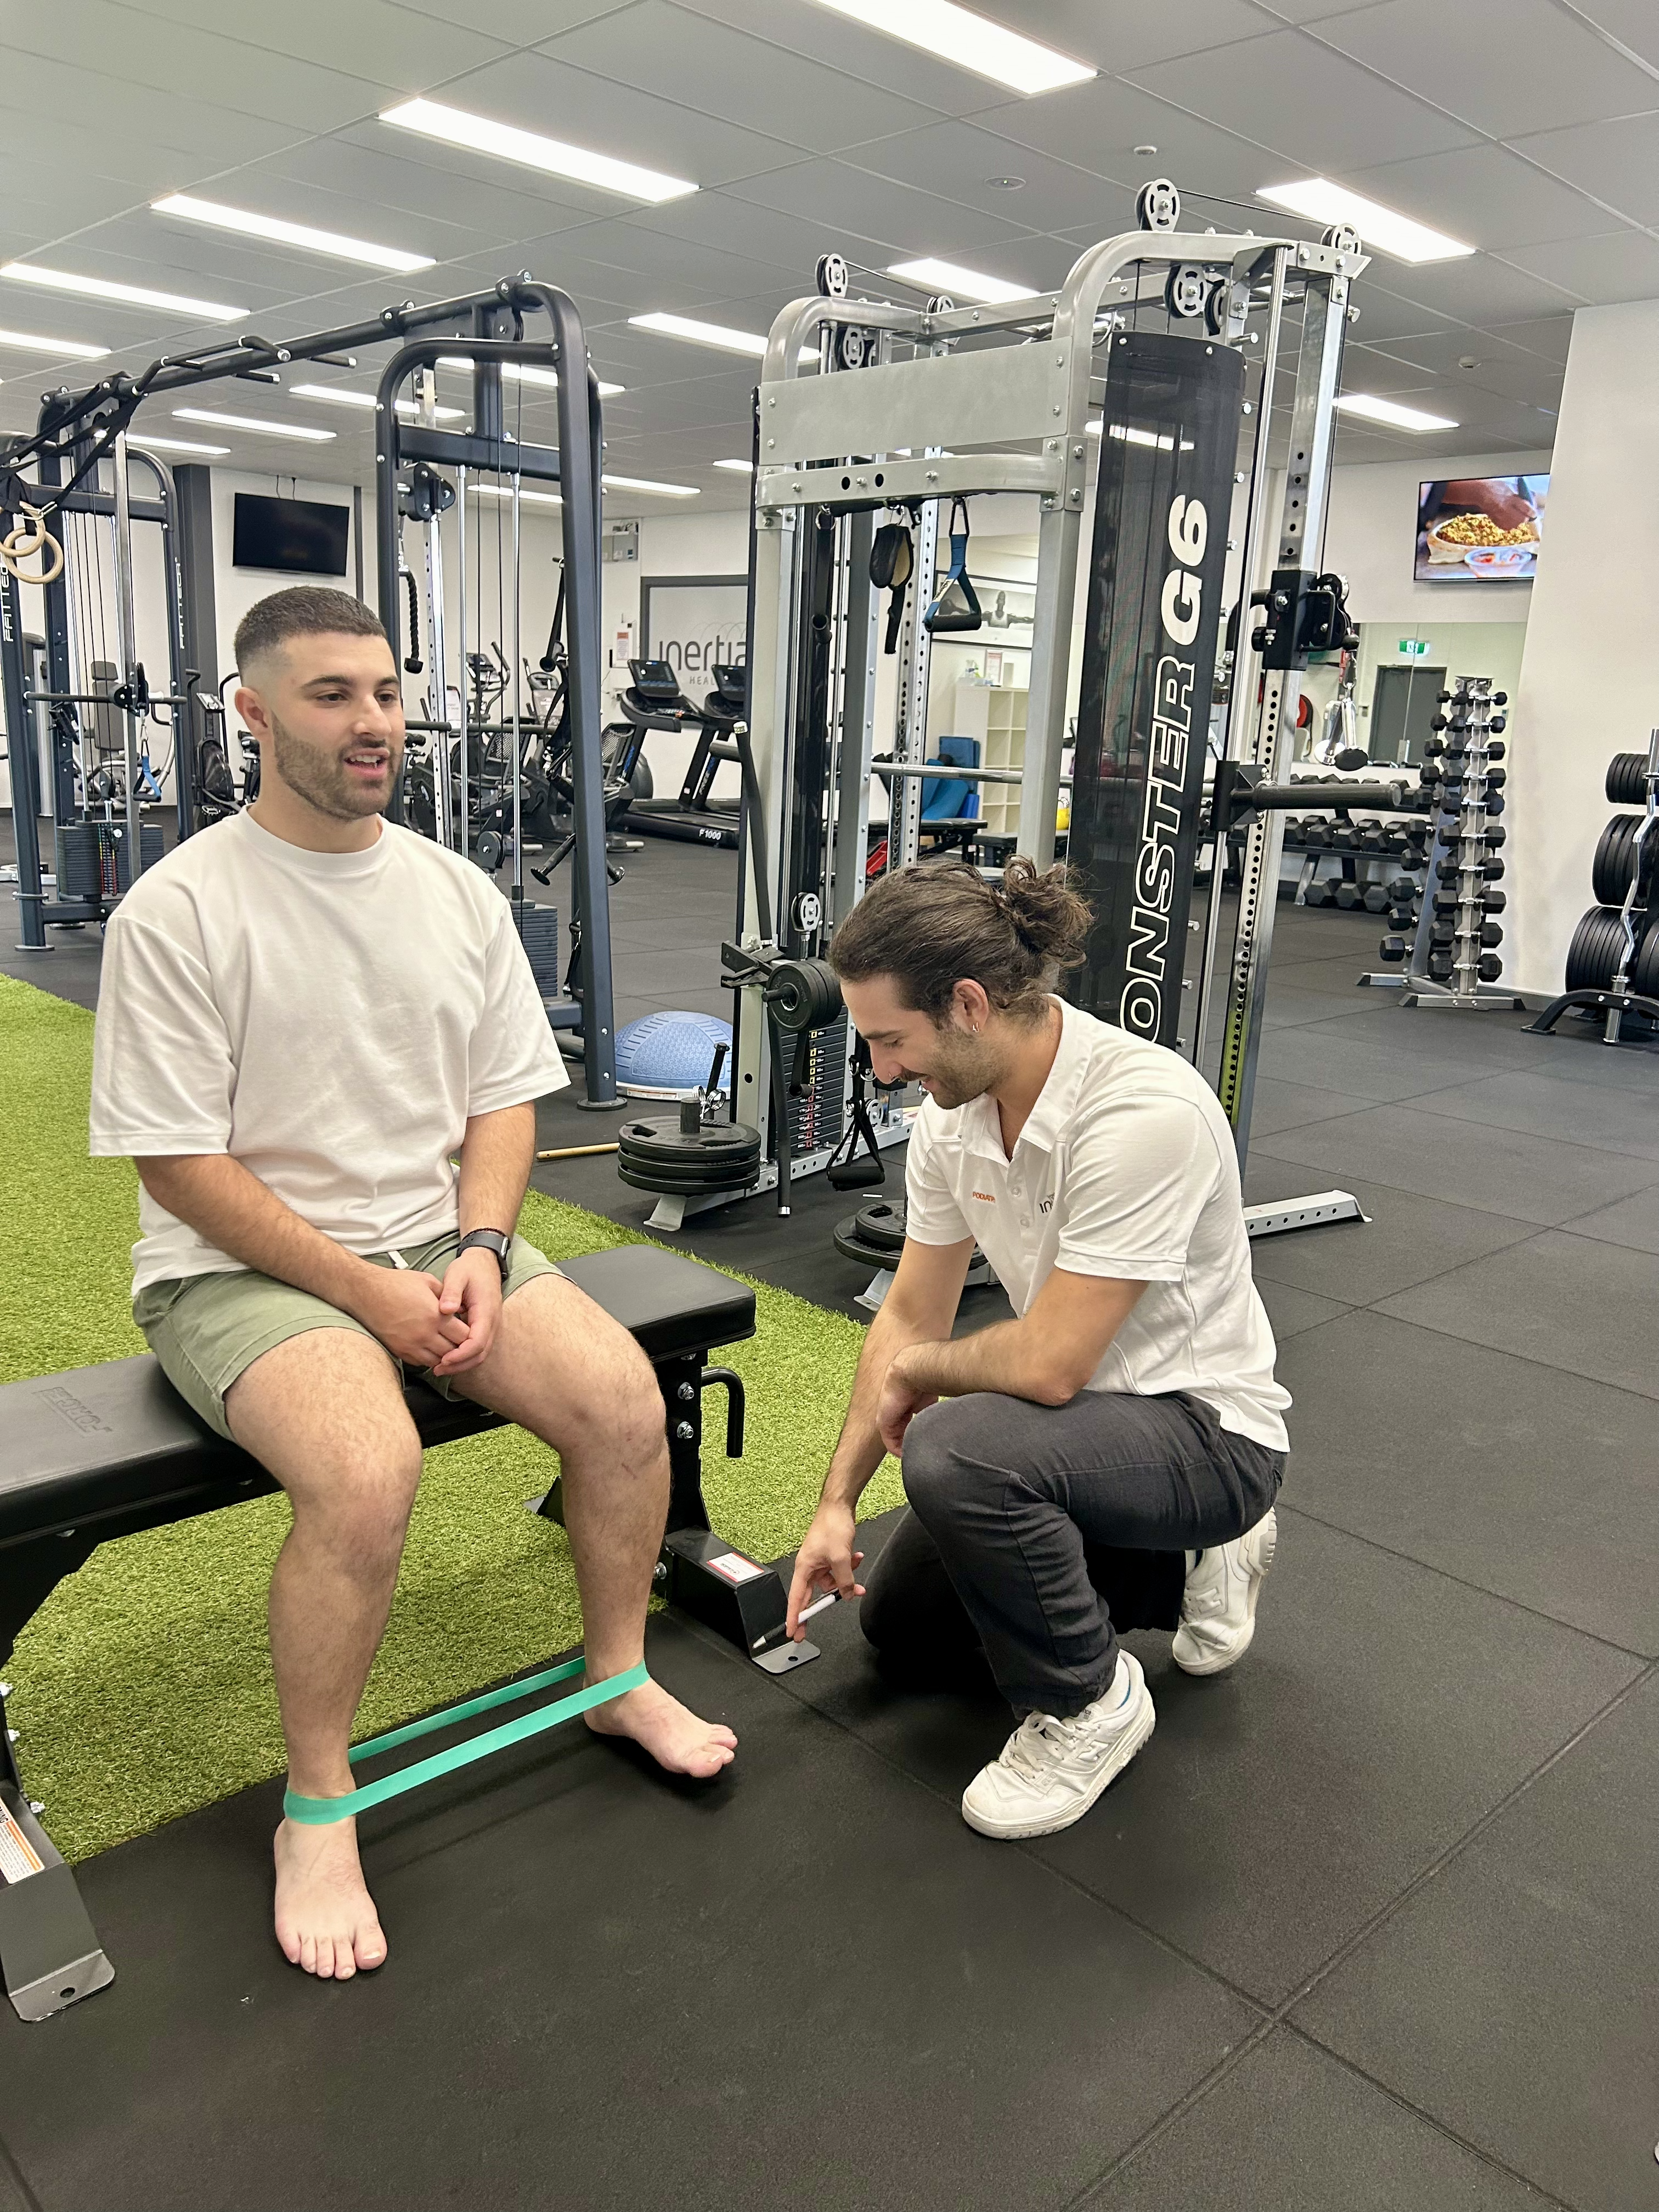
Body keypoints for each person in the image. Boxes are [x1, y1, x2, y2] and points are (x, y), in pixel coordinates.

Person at [89, 585, 735, 1981]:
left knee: (624, 1405)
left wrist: (484, 1252)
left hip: (444, 1243)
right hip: (238, 1272)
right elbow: (179, 1169)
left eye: (385, 691)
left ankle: (617, 1678)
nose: (373, 721)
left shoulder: (452, 890)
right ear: (252, 715)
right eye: (332, 696)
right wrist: (374, 1297)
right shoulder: (179, 909)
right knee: (368, 1469)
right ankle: (317, 1809)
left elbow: (506, 1105)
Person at [786, 859, 1288, 1841]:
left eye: (892, 1040)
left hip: (1207, 1432)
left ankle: (1090, 1703)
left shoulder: (1144, 1113)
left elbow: (1044, 1362)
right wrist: (836, 1502)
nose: (883, 1071)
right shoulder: (952, 1120)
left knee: (955, 1451)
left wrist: (919, 1376)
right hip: (1075, 1430)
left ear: (969, 1004)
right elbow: (911, 1312)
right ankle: (1186, 1569)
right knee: (905, 1631)